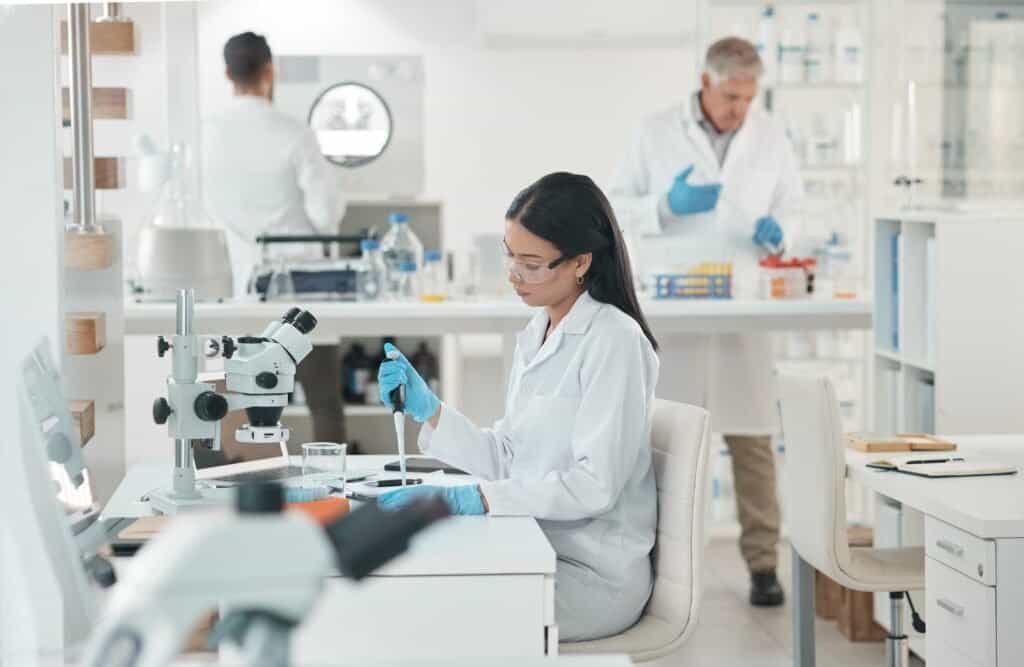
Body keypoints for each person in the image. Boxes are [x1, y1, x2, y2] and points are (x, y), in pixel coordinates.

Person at [375, 173, 659, 642]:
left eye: (531, 263)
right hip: (534, 542)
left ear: (581, 262)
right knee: (404, 574)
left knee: (426, 609)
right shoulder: (537, 332)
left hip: (589, 574)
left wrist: (480, 498)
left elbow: (595, 486)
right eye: (509, 253)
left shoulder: (615, 340)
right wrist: (429, 410)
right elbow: (511, 458)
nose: (513, 273)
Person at [608, 36, 803, 607]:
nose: (740, 109)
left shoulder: (770, 136)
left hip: (744, 301)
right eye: (731, 96)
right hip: (677, 302)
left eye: (748, 98)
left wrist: (781, 232)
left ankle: (763, 565)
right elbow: (615, 206)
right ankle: (666, 566)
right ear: (706, 82)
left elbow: (794, 205)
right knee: (671, 442)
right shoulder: (654, 130)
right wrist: (665, 207)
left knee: (754, 438)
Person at [202, 31, 347, 445]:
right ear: (270, 71)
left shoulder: (207, 133)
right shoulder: (294, 133)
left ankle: (235, 485)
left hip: (241, 285)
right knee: (323, 402)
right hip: (305, 287)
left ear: (227, 73)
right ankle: (332, 491)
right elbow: (326, 213)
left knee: (235, 397)